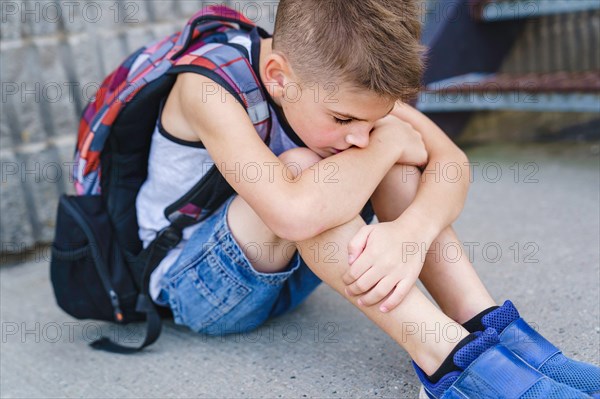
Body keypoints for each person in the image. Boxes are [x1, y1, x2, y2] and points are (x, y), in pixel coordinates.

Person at [135, 1, 600, 397]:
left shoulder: (345, 77)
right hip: (197, 286)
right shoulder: (206, 88)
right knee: (311, 169)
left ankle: (484, 328)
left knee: (385, 164)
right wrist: (390, 140)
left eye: (366, 121)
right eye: (342, 120)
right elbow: (294, 214)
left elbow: (452, 162)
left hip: (289, 269)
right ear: (278, 76)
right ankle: (449, 364)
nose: (357, 136)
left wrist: (411, 235)